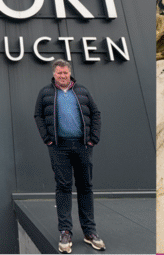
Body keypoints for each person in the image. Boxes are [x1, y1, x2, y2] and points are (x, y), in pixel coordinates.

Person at [34, 59, 105, 253]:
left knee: (85, 187)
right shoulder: (45, 93)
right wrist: (47, 139)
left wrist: (93, 139)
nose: (63, 76)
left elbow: (96, 113)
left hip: (83, 146)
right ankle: (65, 232)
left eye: (65, 73)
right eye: (59, 73)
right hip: (59, 147)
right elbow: (38, 115)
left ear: (69, 73)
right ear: (54, 74)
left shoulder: (82, 91)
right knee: (63, 187)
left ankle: (90, 232)